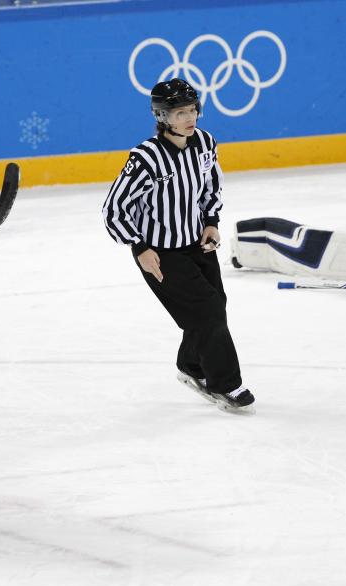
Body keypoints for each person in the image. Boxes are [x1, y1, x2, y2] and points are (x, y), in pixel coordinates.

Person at [101, 78, 254, 412]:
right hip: (161, 254)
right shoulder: (145, 158)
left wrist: (211, 221)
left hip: (197, 244)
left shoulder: (204, 143)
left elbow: (212, 183)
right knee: (207, 311)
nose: (189, 118)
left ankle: (192, 365)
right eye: (179, 113)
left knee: (215, 306)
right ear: (161, 116)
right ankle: (226, 385)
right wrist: (139, 247)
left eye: (192, 110)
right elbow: (113, 209)